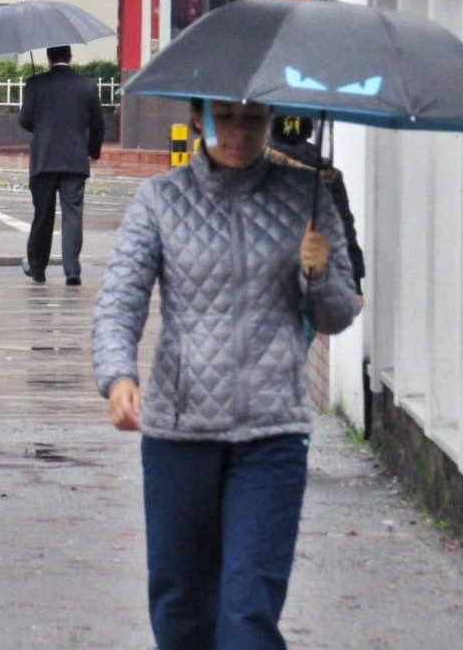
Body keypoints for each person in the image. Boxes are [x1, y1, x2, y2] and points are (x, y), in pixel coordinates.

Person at [92, 97, 359, 650]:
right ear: (198, 118)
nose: (239, 131)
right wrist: (118, 376)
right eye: (225, 117)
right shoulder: (160, 200)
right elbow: (120, 299)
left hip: (271, 436)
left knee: (248, 617)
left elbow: (335, 314)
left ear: (271, 122)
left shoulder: (305, 200)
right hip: (179, 434)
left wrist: (319, 271)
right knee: (181, 610)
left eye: (253, 118)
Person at [18, 45, 105, 286]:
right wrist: (93, 151)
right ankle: (72, 270)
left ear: (48, 58)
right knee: (72, 215)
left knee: (42, 215)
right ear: (70, 57)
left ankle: (37, 268)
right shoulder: (87, 86)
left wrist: (43, 125)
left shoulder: (35, 84)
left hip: (44, 159)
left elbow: (25, 120)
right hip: (75, 161)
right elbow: (97, 124)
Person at [266, 113, 367, 305]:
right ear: (309, 130)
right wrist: (354, 284)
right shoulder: (328, 175)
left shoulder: (255, 165)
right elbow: (345, 232)